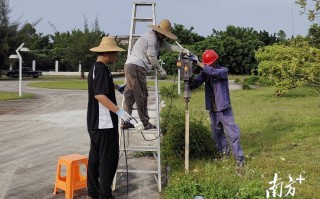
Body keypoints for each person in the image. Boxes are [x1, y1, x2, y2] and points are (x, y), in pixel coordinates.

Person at [87, 36, 132, 199]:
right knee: (108, 160)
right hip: (104, 123)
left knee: (95, 158)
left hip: (94, 123)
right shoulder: (100, 69)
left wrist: (117, 87)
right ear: (109, 53)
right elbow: (99, 95)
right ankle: (105, 195)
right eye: (115, 54)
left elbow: (101, 84)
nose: (116, 57)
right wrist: (120, 112)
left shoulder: (97, 68)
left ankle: (92, 192)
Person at [123, 19, 190, 130]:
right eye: (163, 34)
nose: (164, 37)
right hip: (136, 66)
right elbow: (152, 58)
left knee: (129, 96)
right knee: (142, 95)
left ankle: (125, 122)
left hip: (129, 65)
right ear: (159, 31)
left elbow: (170, 47)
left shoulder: (157, 38)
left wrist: (182, 50)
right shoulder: (152, 38)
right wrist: (161, 70)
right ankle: (146, 123)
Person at [190, 49, 245, 169]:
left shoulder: (222, 71)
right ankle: (223, 154)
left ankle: (240, 160)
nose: (207, 66)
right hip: (213, 109)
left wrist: (199, 63)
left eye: (209, 64)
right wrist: (188, 75)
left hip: (223, 108)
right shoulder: (206, 72)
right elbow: (196, 83)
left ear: (215, 62)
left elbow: (213, 72)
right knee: (217, 134)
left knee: (232, 134)